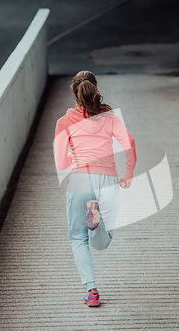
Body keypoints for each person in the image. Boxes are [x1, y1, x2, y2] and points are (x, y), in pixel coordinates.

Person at [53, 71, 136, 307]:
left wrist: (74, 156)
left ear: (73, 92)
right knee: (103, 241)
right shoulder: (108, 117)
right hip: (107, 179)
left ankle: (92, 291)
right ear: (95, 89)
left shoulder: (63, 123)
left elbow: (61, 163)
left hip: (80, 180)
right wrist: (128, 172)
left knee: (78, 238)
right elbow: (129, 143)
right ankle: (96, 224)